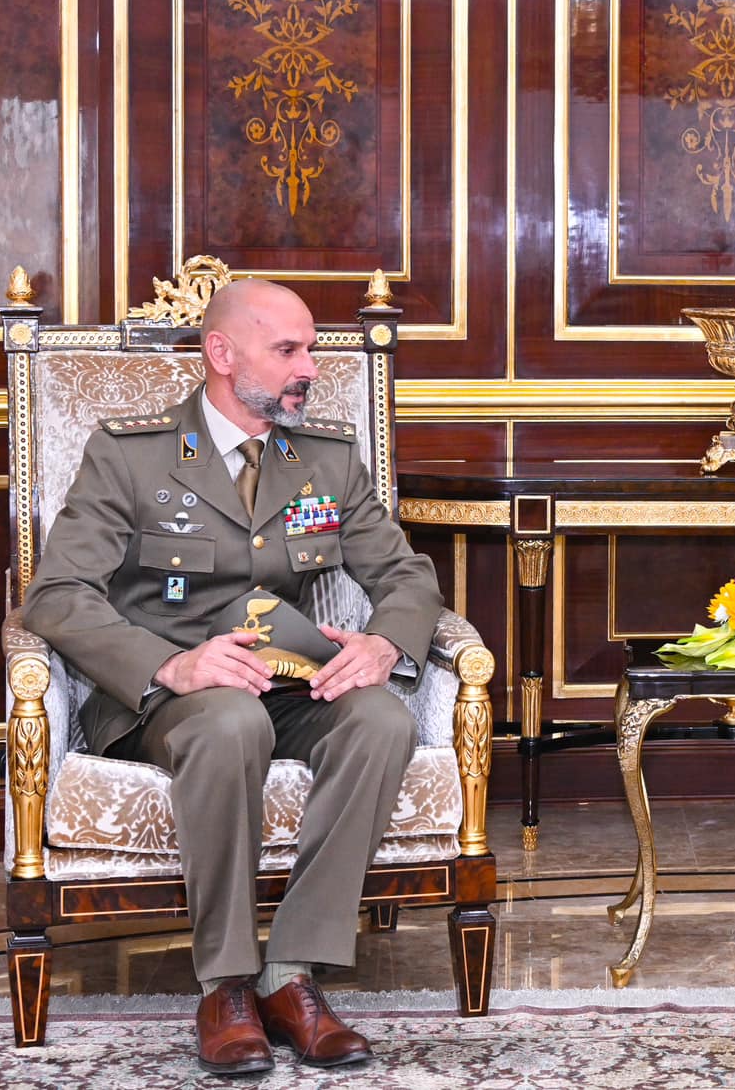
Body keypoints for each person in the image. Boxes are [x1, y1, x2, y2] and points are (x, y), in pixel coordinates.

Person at [23, 278, 443, 1074]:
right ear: (222, 354)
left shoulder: (323, 456)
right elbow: (55, 595)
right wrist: (169, 664)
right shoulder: (132, 454)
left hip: (287, 683)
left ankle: (292, 975)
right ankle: (226, 987)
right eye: (288, 349)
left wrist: (383, 645)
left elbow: (407, 577)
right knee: (229, 721)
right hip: (173, 702)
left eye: (310, 347)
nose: (310, 366)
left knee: (382, 718)